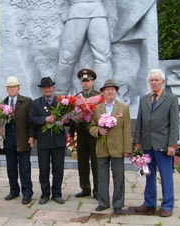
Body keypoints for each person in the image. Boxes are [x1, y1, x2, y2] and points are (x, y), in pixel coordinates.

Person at [133, 69, 179, 217]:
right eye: (151, 80)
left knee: (166, 176)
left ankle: (167, 205)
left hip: (163, 146)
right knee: (148, 174)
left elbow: (174, 124)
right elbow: (139, 122)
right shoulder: (144, 99)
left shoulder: (171, 99)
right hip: (146, 146)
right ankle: (149, 202)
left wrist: (172, 145)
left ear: (162, 82)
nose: (153, 83)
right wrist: (137, 142)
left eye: (156, 80)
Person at [55, 0, 111, 94]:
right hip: (76, 11)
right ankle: (59, 98)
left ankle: (103, 97)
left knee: (103, 57)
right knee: (66, 57)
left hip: (98, 10)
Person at [89, 79, 132, 214]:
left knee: (118, 177)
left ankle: (118, 203)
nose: (110, 92)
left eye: (112, 89)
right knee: (102, 177)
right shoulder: (97, 109)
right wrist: (98, 131)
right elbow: (91, 126)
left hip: (117, 148)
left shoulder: (123, 108)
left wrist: (127, 149)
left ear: (116, 92)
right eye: (107, 90)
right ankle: (103, 202)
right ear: (103, 92)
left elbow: (127, 129)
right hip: (102, 147)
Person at [29, 77, 67, 205]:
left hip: (58, 141)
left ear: (53, 88)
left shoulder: (62, 102)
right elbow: (32, 119)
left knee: (58, 169)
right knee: (44, 169)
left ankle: (57, 194)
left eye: (49, 87)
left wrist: (66, 120)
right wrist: (45, 119)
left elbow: (69, 119)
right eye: (44, 88)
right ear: (41, 89)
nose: (47, 89)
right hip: (44, 141)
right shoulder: (35, 103)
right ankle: (45, 194)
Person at [2, 76, 35, 205]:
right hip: (9, 141)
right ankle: (14, 190)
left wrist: (32, 136)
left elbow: (31, 122)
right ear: (7, 89)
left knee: (25, 168)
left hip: (23, 140)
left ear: (18, 88)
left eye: (14, 86)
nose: (12, 89)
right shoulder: (2, 103)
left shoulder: (27, 101)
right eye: (10, 87)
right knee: (11, 167)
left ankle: (27, 193)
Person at [69, 69, 99, 199]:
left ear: (92, 82)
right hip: (80, 132)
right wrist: (71, 133)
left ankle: (98, 190)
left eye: (88, 81)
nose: (85, 83)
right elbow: (72, 117)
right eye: (83, 81)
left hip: (94, 133)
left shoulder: (99, 96)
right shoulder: (77, 97)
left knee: (96, 163)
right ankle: (85, 188)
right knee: (82, 162)